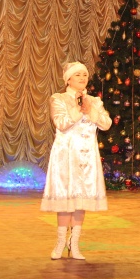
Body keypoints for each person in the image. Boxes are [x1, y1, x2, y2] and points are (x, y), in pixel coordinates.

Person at [41, 61, 112, 260]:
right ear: (68, 79)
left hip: (87, 157)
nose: (82, 78)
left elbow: (106, 124)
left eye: (84, 75)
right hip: (66, 156)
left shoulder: (94, 101)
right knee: (65, 200)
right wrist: (79, 109)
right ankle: (60, 242)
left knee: (81, 199)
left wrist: (90, 110)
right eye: (77, 75)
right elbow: (61, 123)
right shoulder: (59, 99)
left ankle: (74, 244)